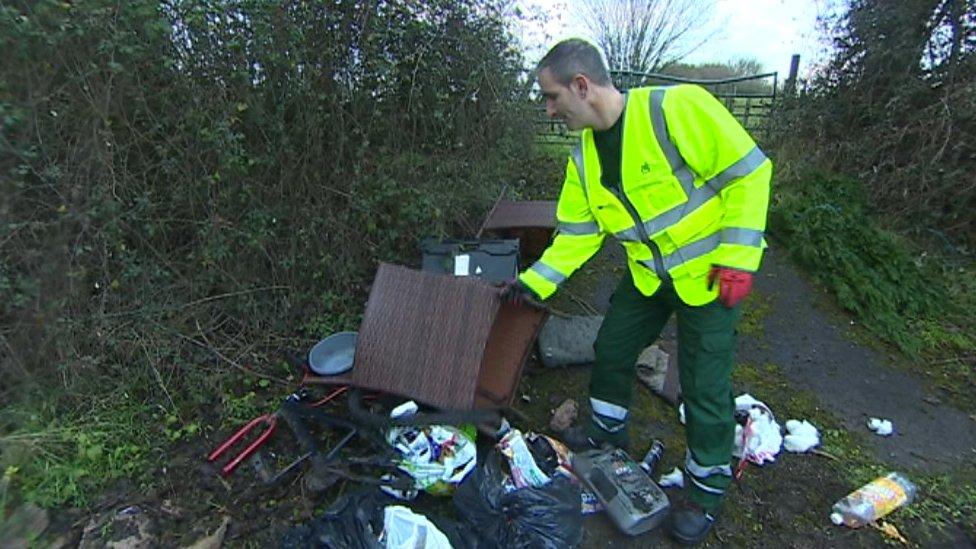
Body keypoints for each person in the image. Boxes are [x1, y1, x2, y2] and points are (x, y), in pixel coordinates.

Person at [503, 38, 771, 546]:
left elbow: (749, 172)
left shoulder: (676, 109)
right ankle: (607, 440)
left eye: (552, 96)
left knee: (704, 386)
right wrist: (531, 282)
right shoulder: (581, 157)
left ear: (582, 86)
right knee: (612, 348)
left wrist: (737, 258)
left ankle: (705, 494)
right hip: (649, 278)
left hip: (711, 281)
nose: (549, 108)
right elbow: (579, 234)